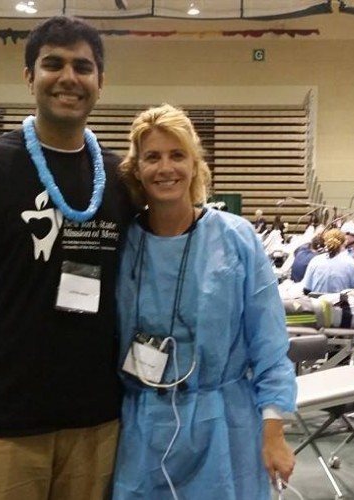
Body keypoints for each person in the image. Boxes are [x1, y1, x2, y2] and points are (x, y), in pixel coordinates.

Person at [0, 16, 133, 499]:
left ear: (101, 81)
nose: (68, 78)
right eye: (52, 64)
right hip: (3, 425)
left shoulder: (123, 179)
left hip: (96, 423)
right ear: (28, 77)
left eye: (83, 66)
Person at [113, 104, 296, 499]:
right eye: (153, 157)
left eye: (177, 155)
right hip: (142, 425)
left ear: (195, 165)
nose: (166, 168)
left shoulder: (235, 239)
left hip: (222, 424)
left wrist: (274, 431)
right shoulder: (123, 244)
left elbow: (269, 341)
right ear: (137, 168)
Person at [302, 228, 354, 294]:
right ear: (345, 243)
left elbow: (306, 289)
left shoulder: (315, 261)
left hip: (315, 303)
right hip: (341, 303)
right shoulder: (353, 264)